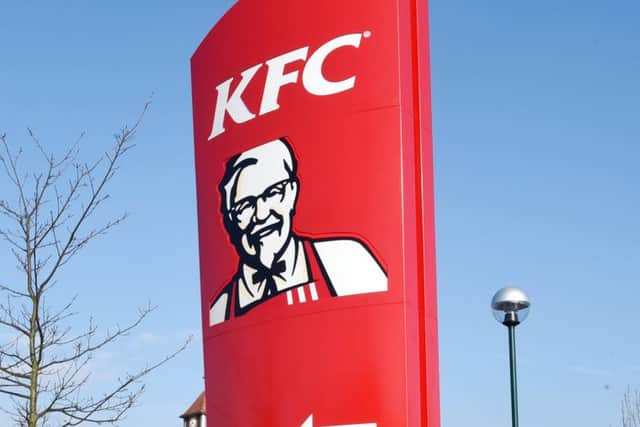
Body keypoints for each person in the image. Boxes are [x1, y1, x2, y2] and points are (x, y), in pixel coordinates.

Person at [209, 137, 387, 326]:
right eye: (245, 205)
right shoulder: (221, 310)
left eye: (272, 193)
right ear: (230, 219)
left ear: (292, 193)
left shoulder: (346, 262)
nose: (261, 214)